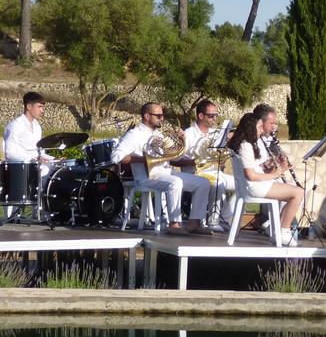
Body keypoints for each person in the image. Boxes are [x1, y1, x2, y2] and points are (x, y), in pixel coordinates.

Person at [111, 102, 212, 235]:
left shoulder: (160, 134)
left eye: (162, 115)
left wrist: (182, 141)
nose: (162, 119)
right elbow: (115, 157)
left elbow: (175, 157)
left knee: (203, 183)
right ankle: (174, 224)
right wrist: (142, 159)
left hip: (166, 172)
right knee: (175, 182)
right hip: (146, 177)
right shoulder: (134, 135)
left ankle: (195, 223)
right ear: (147, 116)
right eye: (158, 116)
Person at [227, 112, 305, 245]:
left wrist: (278, 168)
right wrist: (273, 175)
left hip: (255, 185)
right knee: (298, 192)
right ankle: (283, 231)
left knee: (295, 193)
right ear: (251, 128)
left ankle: (278, 229)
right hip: (254, 187)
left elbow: (255, 169)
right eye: (258, 127)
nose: (261, 130)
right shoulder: (245, 146)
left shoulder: (246, 144)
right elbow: (250, 175)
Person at [181, 99, 235, 230]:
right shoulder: (188, 134)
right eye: (211, 116)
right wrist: (194, 161)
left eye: (216, 115)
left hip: (213, 171)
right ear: (201, 116)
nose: (214, 119)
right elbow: (175, 160)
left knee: (244, 184)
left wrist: (221, 157)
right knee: (217, 183)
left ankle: (226, 218)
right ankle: (213, 221)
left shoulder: (216, 134)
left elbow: (220, 156)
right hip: (194, 173)